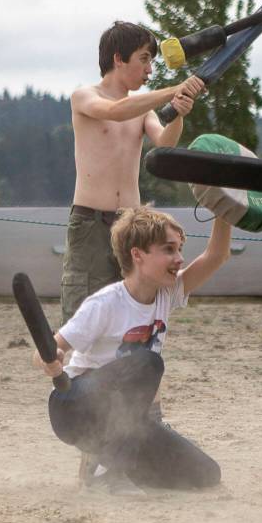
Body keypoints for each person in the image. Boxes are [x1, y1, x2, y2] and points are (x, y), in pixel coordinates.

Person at [36, 206, 231, 493]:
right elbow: (48, 350)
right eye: (168, 249)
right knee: (148, 364)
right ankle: (109, 470)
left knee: (205, 475)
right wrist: (50, 361)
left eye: (179, 249)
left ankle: (119, 466)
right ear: (137, 255)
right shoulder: (105, 303)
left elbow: (216, 255)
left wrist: (224, 205)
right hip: (74, 407)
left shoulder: (168, 293)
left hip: (128, 423)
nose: (179, 259)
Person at [62, 20, 206, 325]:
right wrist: (173, 91)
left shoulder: (142, 107)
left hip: (132, 224)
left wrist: (179, 113)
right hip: (91, 222)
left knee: (133, 308)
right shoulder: (84, 96)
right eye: (144, 59)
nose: (149, 70)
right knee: (83, 308)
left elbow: (165, 142)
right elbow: (114, 112)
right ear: (118, 58)